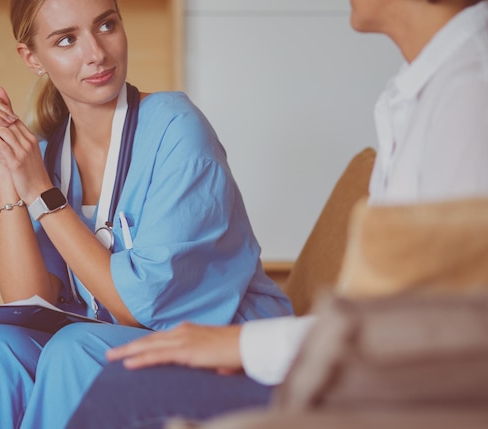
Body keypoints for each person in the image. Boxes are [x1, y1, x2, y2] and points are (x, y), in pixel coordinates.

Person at [68, 0, 488, 427]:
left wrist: (246, 346)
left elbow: (443, 323)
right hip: (357, 354)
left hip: (391, 378)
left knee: (125, 384)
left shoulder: (470, 95)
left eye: (105, 25)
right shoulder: (420, 92)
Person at [0, 0, 293, 427]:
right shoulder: (48, 152)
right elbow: (29, 300)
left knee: (75, 347)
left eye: (106, 25)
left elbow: (134, 311)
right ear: (32, 58)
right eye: (66, 39)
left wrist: (42, 193)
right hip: (120, 342)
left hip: (222, 351)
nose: (96, 53)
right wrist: (10, 168)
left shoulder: (177, 129)